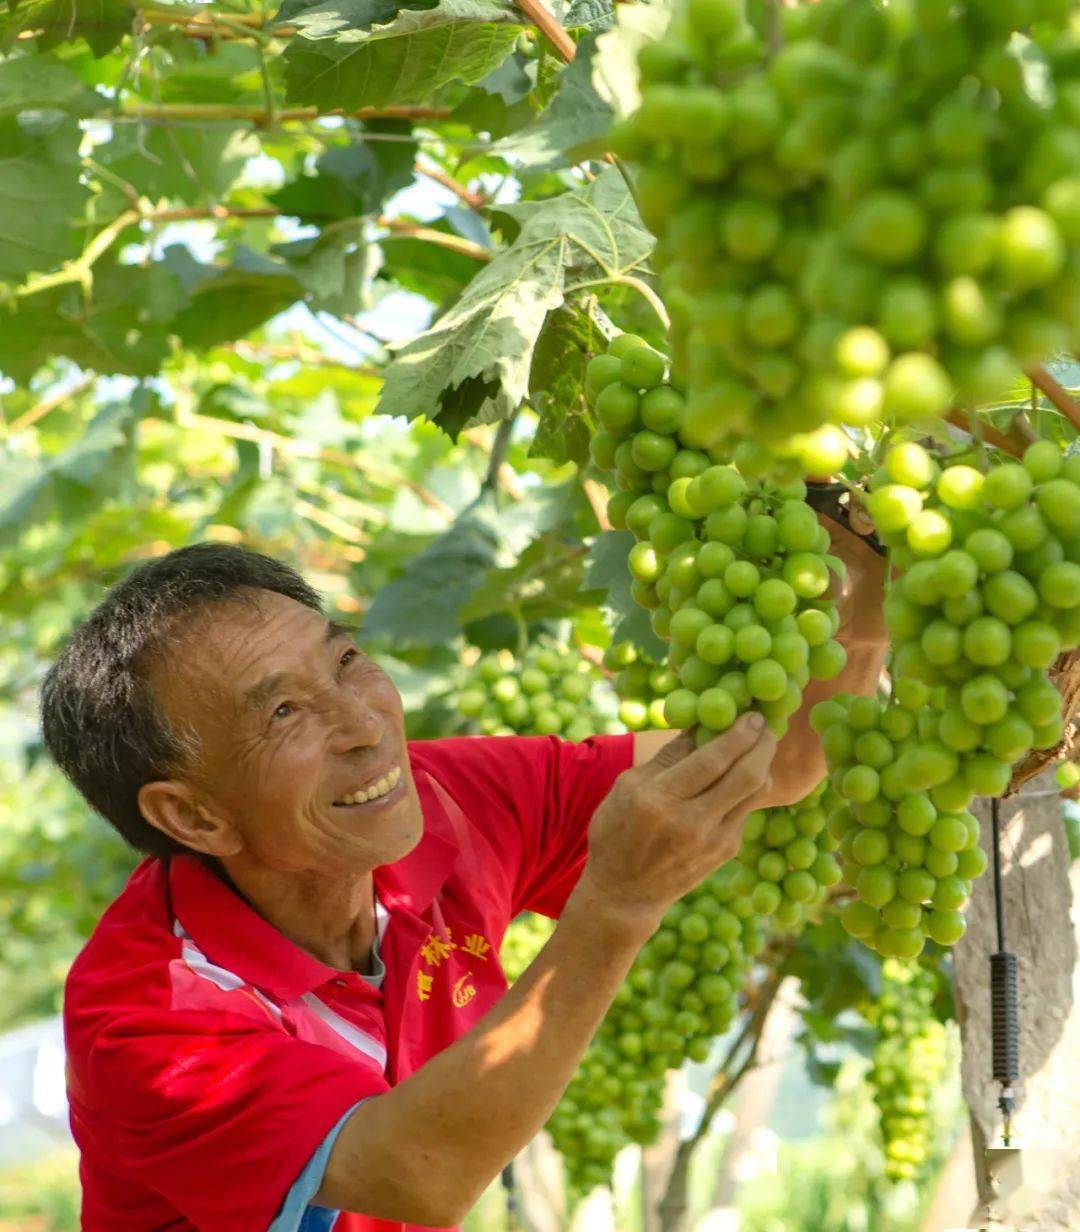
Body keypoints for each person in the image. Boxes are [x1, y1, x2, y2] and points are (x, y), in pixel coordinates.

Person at [43, 525, 884, 1232]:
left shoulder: (453, 799)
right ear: (194, 817)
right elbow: (422, 1170)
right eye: (284, 713)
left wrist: (871, 586)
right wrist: (618, 903)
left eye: (345, 661)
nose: (367, 722)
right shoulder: (147, 1016)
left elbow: (775, 762)